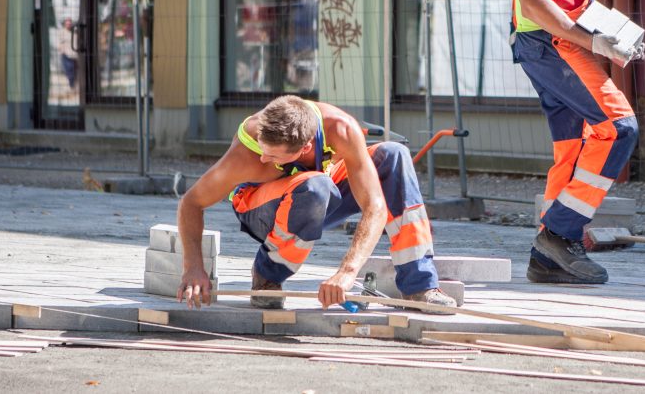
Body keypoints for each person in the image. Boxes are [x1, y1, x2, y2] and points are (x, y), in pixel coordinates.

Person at [177, 95, 456, 310]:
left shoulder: (342, 130)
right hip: (259, 210)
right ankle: (267, 274)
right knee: (315, 186)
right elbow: (191, 203)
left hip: (316, 193)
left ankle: (420, 284)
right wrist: (193, 267)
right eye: (264, 151)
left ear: (306, 147)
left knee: (394, 155)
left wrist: (347, 273)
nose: (263, 160)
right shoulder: (248, 152)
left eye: (273, 156)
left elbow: (375, 207)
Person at [510, 0, 639, 285]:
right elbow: (535, 0)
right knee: (619, 128)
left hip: (553, 42)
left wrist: (607, 32)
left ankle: (547, 257)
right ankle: (558, 237)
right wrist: (594, 42)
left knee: (572, 146)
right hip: (550, 44)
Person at [58, 18, 78, 89]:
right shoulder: (62, 32)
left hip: (75, 55)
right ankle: (71, 85)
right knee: (69, 70)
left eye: (70, 23)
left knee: (75, 71)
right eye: (67, 23)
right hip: (66, 54)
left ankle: (73, 85)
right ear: (64, 24)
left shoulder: (75, 31)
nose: (69, 25)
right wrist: (62, 50)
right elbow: (60, 43)